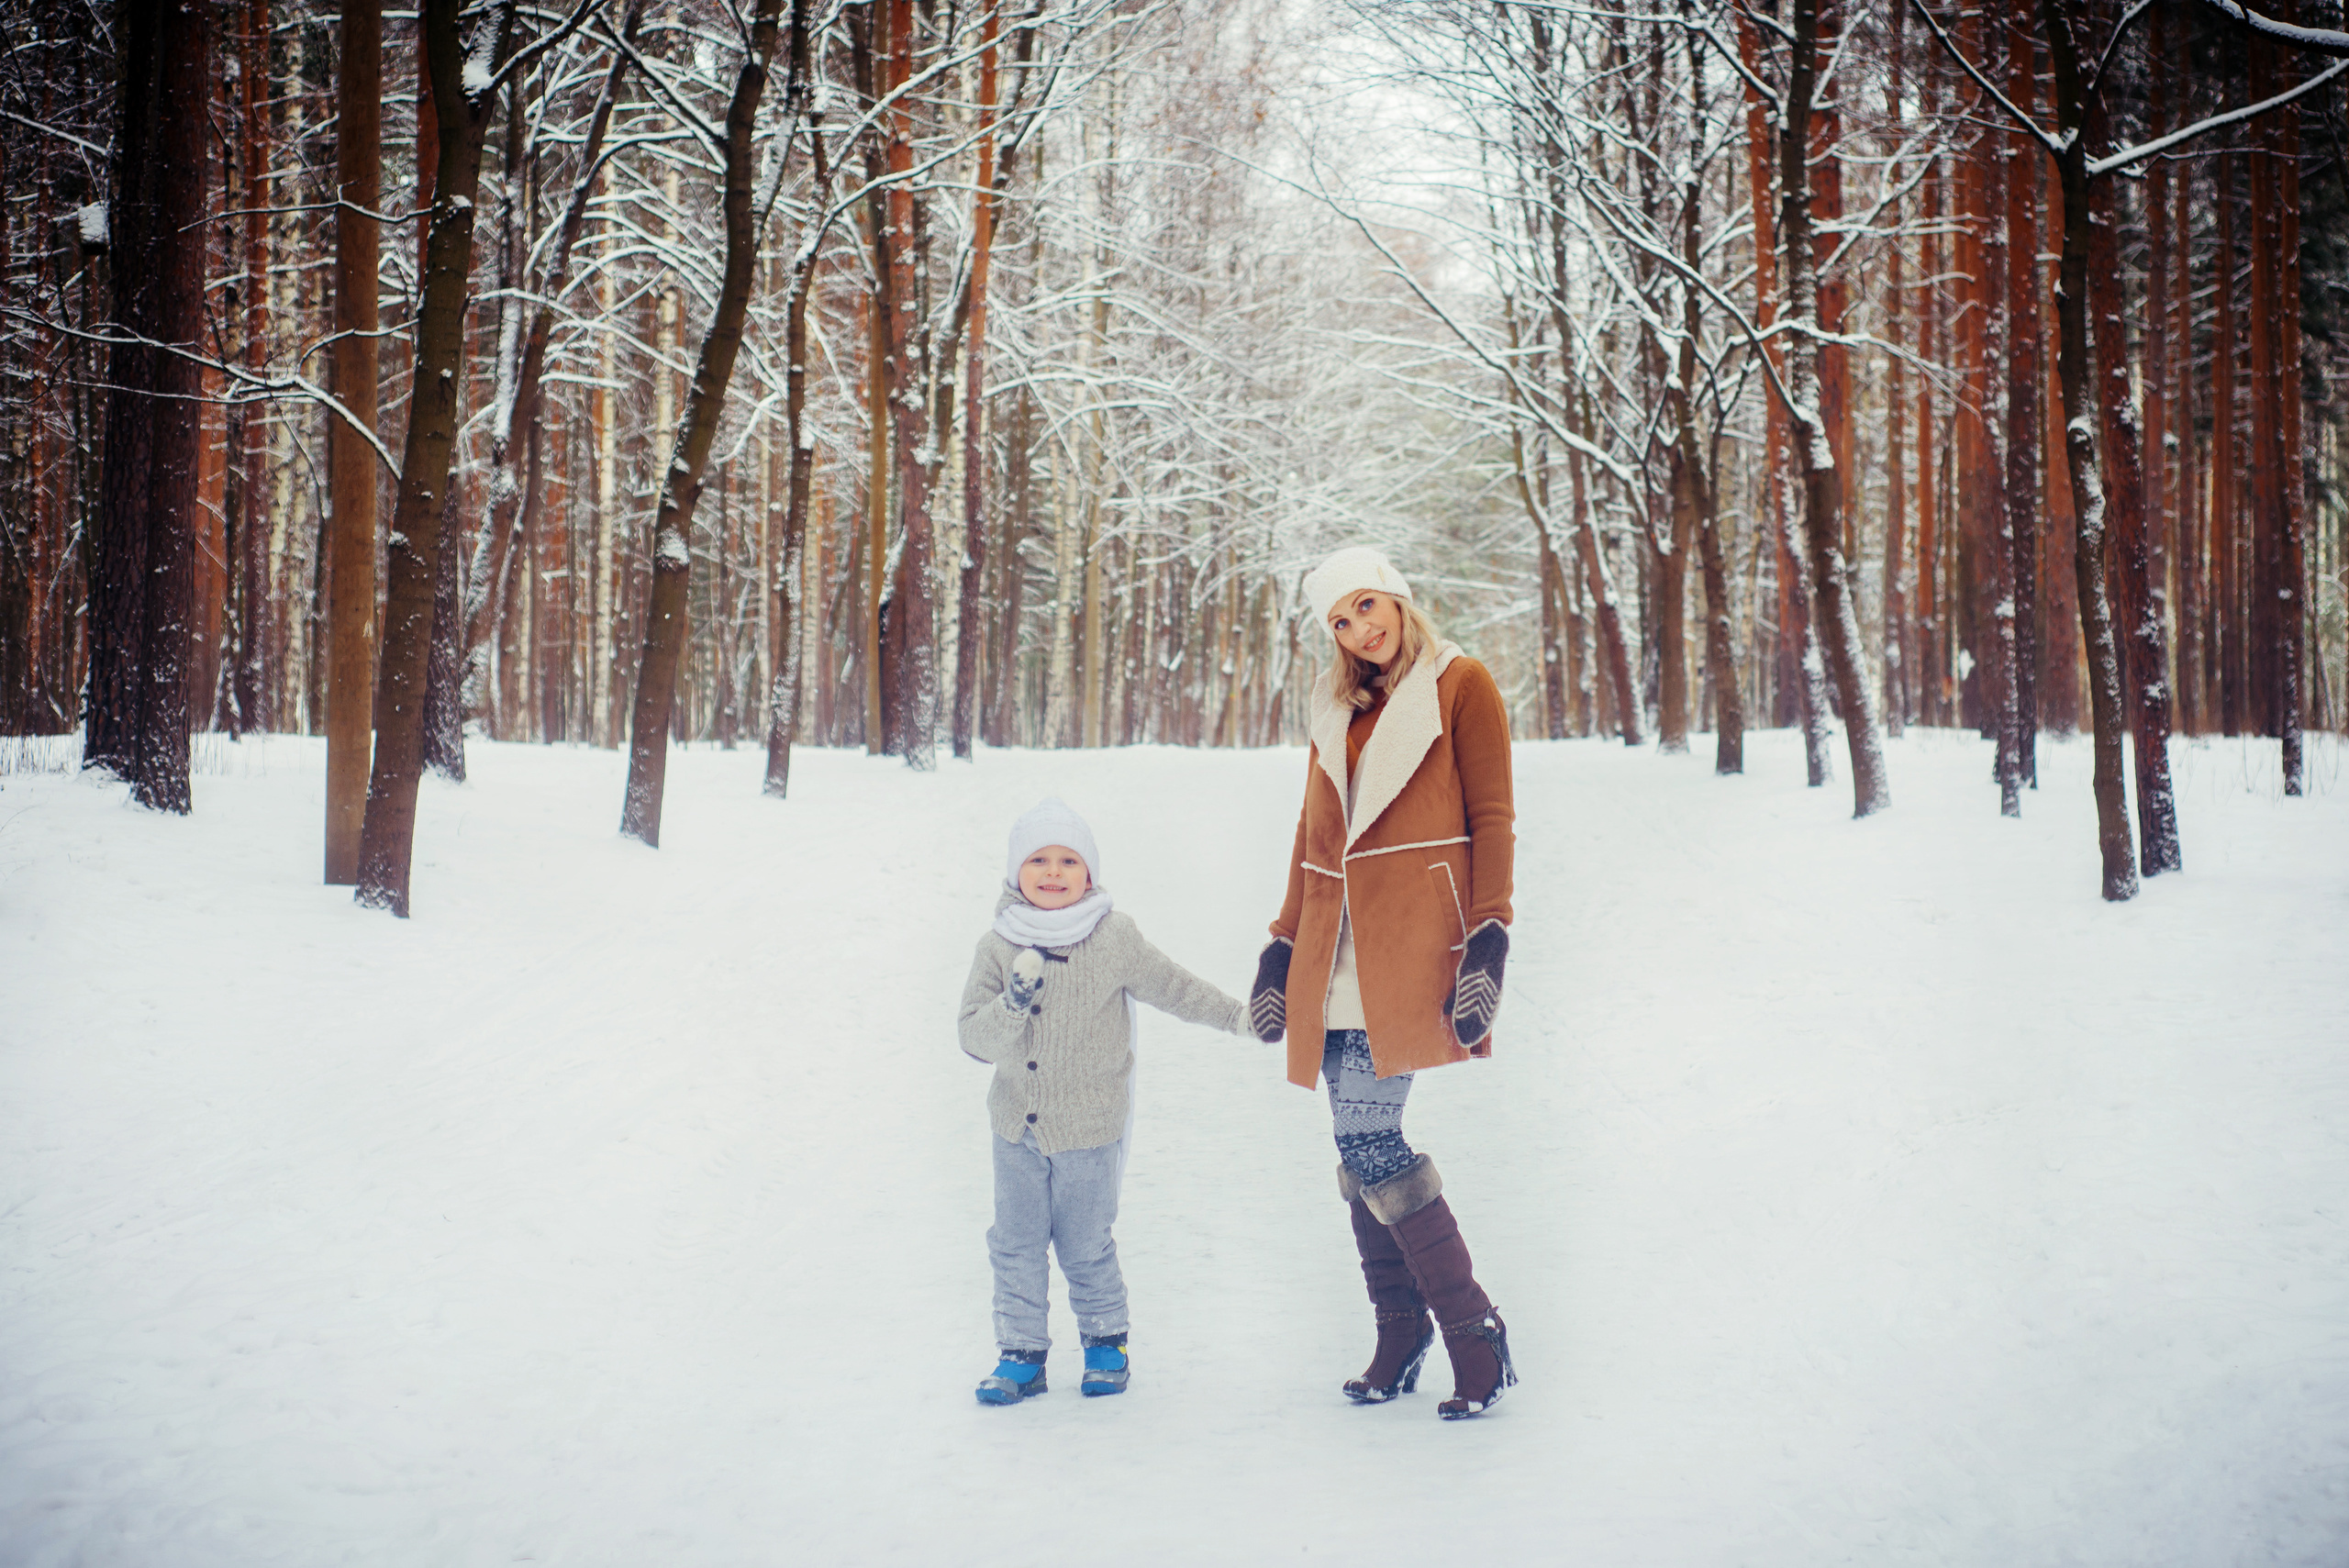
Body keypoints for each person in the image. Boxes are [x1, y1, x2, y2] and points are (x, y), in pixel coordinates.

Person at [1248, 547, 1520, 1419]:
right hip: (1335, 945)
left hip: (1411, 939)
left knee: (1371, 1138)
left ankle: (1472, 1328)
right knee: (1357, 1142)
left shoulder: (1460, 681)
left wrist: (1490, 935)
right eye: (1340, 620)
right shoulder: (1336, 705)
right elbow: (1310, 831)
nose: (1360, 630)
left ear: (1398, 597)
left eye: (1368, 606)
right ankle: (1402, 1332)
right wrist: (1282, 943)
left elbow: (1492, 814)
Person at [958, 797, 1252, 1405]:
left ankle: (1104, 1343)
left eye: (1069, 860)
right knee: (1014, 1240)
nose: (1053, 871)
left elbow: (1174, 985)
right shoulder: (997, 945)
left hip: (1090, 1126)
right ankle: (1020, 1353)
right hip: (1016, 1125)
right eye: (1038, 859)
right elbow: (973, 1038)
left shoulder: (1112, 936)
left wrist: (1237, 1016)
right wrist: (1013, 1001)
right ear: (1017, 872)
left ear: (1089, 873)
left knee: (1084, 1240)